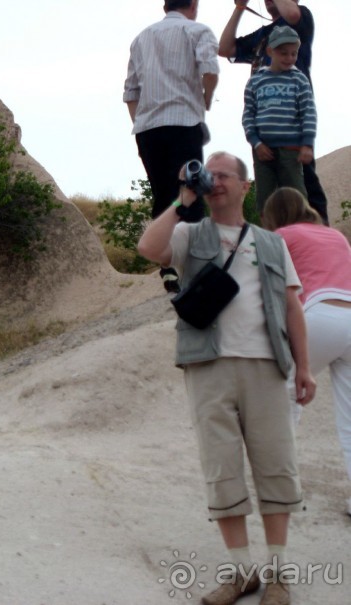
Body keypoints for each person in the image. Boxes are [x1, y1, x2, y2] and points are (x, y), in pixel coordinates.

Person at [137, 152, 315, 605]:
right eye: (207, 174)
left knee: (276, 466)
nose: (213, 181)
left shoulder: (272, 244)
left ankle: (277, 573)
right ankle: (241, 573)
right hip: (208, 364)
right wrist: (182, 200)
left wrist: (305, 368)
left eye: (222, 175)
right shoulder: (188, 232)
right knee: (222, 470)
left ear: (245, 185)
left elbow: (293, 307)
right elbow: (148, 249)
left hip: (265, 365)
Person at [262, 187, 351, 518]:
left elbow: (269, 286)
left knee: (285, 398)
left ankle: (280, 490)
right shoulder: (335, 235)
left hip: (318, 314)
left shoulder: (282, 236)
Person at [123, 0, 219, 293]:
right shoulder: (198, 30)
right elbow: (210, 71)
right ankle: (198, 268)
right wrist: (206, 98)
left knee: (163, 194)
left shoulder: (141, 38)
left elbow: (130, 92)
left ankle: (168, 268)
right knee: (190, 193)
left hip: (148, 129)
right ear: (193, 4)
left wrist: (141, 122)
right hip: (183, 122)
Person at [219, 0, 329, 225]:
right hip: (265, 129)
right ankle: (277, 246)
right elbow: (224, 48)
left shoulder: (300, 18)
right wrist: (239, 8)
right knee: (268, 196)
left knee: (304, 186)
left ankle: (321, 240)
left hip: (292, 127)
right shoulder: (262, 35)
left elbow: (291, 12)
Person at [242, 25, 316, 217]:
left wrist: (307, 144)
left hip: (291, 149)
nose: (289, 58)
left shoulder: (299, 79)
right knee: (265, 201)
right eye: (283, 53)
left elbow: (308, 112)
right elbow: (248, 115)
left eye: (294, 54)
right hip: (263, 150)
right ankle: (268, 240)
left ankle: (302, 238)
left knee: (297, 198)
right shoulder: (256, 81)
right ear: (269, 51)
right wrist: (256, 143)